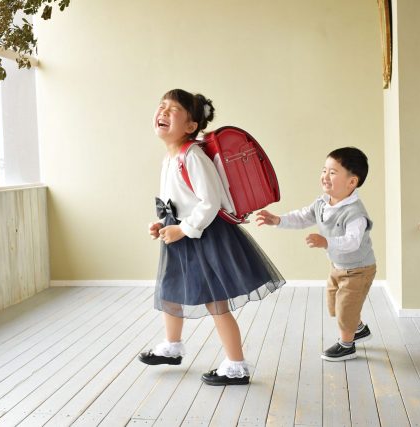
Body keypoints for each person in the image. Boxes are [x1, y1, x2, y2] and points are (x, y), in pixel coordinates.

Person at [138, 89, 285, 385]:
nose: (163, 112)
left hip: (203, 238)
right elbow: (177, 202)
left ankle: (236, 364)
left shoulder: (192, 156)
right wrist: (162, 223)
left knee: (216, 302)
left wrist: (183, 228)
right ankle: (172, 345)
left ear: (191, 126)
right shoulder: (170, 158)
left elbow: (210, 202)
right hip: (181, 237)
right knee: (170, 290)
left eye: (173, 109)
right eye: (161, 106)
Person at [256, 147, 376, 361]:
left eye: (333, 172)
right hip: (338, 266)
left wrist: (326, 242)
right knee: (334, 303)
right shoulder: (322, 203)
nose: (325, 176)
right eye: (324, 170)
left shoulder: (355, 213)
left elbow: (352, 242)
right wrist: (278, 220)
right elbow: (302, 217)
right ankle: (358, 328)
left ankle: (347, 344)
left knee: (345, 307)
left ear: (352, 182)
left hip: (359, 268)